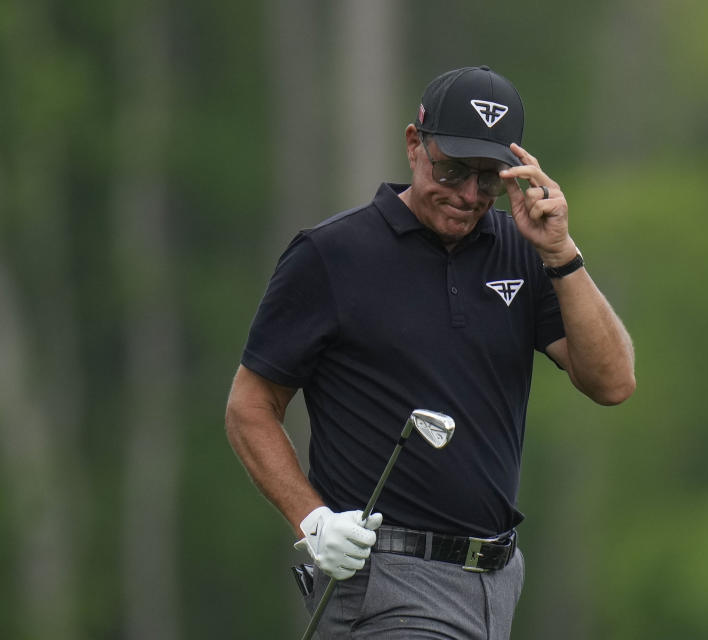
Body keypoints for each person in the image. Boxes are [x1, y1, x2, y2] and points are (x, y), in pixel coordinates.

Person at [225, 65, 635, 639]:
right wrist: (313, 519)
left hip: (496, 584)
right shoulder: (332, 255)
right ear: (416, 145)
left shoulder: (525, 253)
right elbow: (250, 405)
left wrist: (562, 253)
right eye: (452, 170)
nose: (468, 195)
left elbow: (611, 382)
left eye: (488, 178)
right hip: (383, 581)